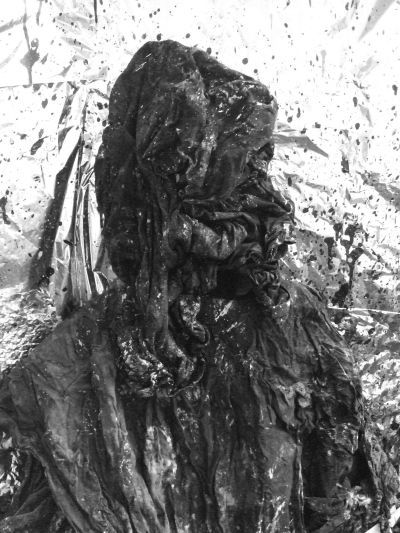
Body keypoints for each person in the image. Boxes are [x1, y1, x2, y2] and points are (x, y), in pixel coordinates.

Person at [0, 40, 395, 533]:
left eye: (257, 168)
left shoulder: (289, 329)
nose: (269, 197)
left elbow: (346, 498)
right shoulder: (64, 373)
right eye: (249, 168)